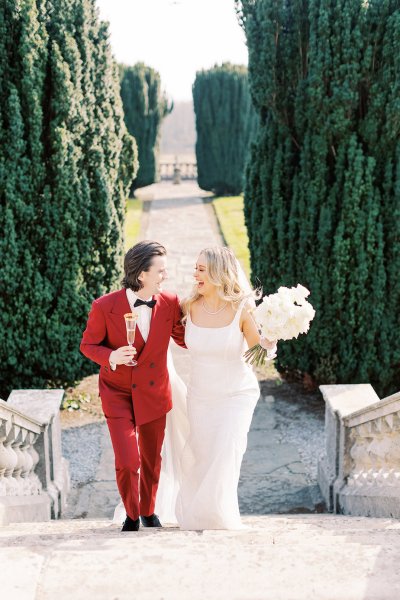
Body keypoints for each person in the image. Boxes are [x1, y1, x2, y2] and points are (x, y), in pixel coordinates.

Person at [154, 246, 277, 530]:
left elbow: (257, 348)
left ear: (220, 274)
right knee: (202, 457)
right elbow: (158, 333)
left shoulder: (243, 309)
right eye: (195, 268)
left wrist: (269, 342)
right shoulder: (187, 307)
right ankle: (198, 516)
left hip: (236, 395)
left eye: (201, 270)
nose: (194, 274)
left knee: (225, 453)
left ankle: (220, 518)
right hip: (200, 397)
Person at [80, 240, 186, 532]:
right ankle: (131, 512)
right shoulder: (104, 306)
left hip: (154, 391)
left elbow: (185, 338)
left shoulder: (170, 303)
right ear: (142, 275)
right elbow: (88, 345)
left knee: (152, 459)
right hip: (117, 392)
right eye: (161, 271)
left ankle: (149, 510)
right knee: (128, 460)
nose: (165, 276)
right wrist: (111, 356)